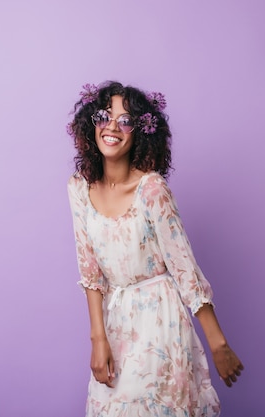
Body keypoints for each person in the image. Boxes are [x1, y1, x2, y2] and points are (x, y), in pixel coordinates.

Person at [67, 81, 244, 417]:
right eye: (105, 116)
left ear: (140, 132)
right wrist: (97, 338)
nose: (113, 127)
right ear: (91, 121)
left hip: (160, 323)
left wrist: (217, 342)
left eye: (126, 121)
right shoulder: (79, 187)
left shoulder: (151, 189)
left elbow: (184, 267)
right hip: (116, 320)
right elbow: (89, 270)